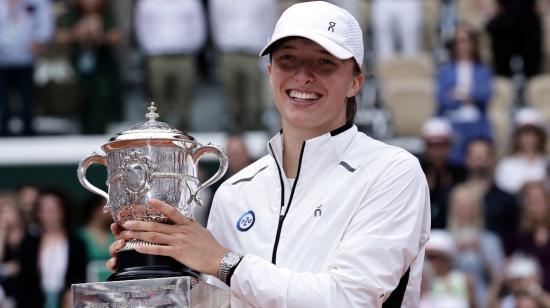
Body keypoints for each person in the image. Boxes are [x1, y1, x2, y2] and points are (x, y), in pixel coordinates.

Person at [108, 2, 431, 307]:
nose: (303, 76)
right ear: (270, 72)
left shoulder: (392, 172)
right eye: (288, 59)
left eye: (324, 62)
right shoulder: (236, 191)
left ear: (355, 82)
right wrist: (161, 265)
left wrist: (224, 263)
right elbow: (223, 301)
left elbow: (349, 299)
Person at [134, 0, 206, 131]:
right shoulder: (147, 3)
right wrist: (153, 50)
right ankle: (161, 139)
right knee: (157, 103)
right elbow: (142, 31)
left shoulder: (191, 3)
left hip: (184, 57)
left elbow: (199, 30)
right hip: (157, 58)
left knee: (184, 101)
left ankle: (184, 139)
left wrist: (188, 48)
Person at [55, 0, 122, 134]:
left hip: (102, 64)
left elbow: (117, 36)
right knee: (80, 97)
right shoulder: (73, 14)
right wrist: (78, 32)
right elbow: (59, 36)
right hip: (78, 64)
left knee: (101, 97)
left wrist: (99, 35)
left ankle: (99, 129)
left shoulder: (105, 14)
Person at [209, 0, 276, 133]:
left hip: (253, 52)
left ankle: (257, 130)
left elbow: (269, 23)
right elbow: (216, 23)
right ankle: (234, 131)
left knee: (254, 95)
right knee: (231, 94)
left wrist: (267, 53)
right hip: (228, 51)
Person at [16, 188, 87, 308]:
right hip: (34, 301)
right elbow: (25, 278)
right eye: (45, 210)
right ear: (38, 213)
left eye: (55, 209)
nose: (50, 215)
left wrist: (70, 296)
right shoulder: (29, 242)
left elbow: (80, 276)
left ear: (63, 211)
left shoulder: (76, 243)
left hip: (67, 301)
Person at [436, 24, 493, 167]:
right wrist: (469, 94)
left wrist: (457, 93)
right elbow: (442, 99)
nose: (463, 46)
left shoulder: (482, 70)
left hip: (476, 121)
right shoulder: (446, 71)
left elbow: (484, 94)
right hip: (452, 120)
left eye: (466, 41)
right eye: (459, 41)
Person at [0, 0, 53, 136]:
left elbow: (45, 20)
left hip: (26, 56)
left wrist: (40, 39)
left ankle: (28, 126)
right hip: (2, 57)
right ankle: (3, 126)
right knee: (3, 96)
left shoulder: (38, 2)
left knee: (27, 96)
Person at [446, 183, 505, 306]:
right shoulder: (444, 239)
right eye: (461, 206)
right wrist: (455, 251)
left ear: (478, 209)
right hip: (449, 298)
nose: (465, 211)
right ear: (453, 209)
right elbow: (436, 274)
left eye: (470, 206)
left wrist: (481, 252)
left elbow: (498, 278)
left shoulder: (490, 240)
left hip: (483, 298)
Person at [463, 138, 519, 247]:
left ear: (492, 159)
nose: (479, 158)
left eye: (484, 154)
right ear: (466, 159)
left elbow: (513, 236)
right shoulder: (452, 194)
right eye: (474, 154)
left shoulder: (507, 200)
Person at [419, 117, 466, 229]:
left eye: (442, 144)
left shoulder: (460, 172)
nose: (438, 150)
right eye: (433, 145)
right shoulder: (417, 170)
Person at [507, 181, 550, 291]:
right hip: (526, 295)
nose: (536, 206)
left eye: (540, 200)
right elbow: (508, 269)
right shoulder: (517, 236)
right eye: (531, 202)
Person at [495, 108, 548, 196]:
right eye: (524, 134)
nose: (529, 138)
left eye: (533, 133)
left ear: (540, 136)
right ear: (516, 138)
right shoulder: (506, 165)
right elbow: (503, 195)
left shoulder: (547, 161)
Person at [78, 194, 114, 282]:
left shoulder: (115, 236)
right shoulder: (79, 237)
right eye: (107, 206)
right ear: (95, 210)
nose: (111, 210)